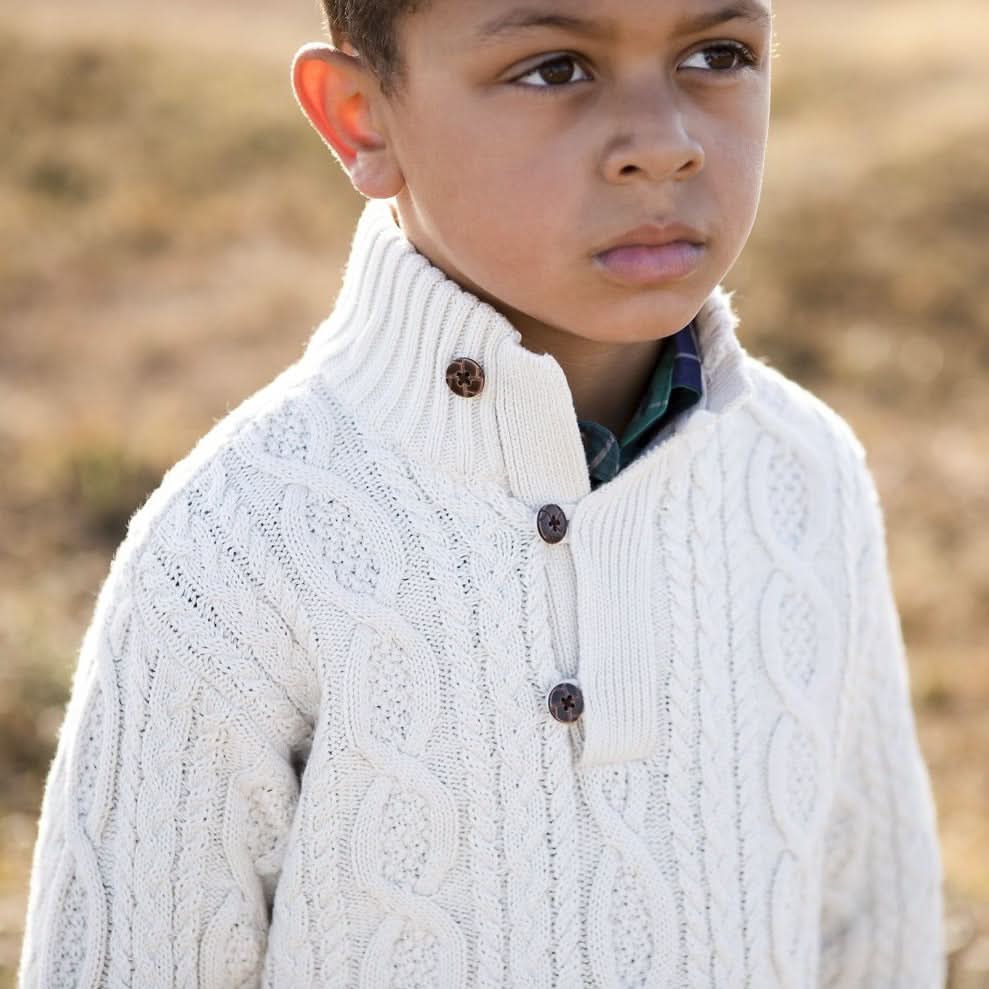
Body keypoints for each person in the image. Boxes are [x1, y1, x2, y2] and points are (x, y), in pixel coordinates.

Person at [18, 1, 946, 986]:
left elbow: (874, 934)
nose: (663, 143)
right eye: (554, 69)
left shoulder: (803, 476)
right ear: (360, 118)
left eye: (716, 54)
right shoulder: (239, 541)